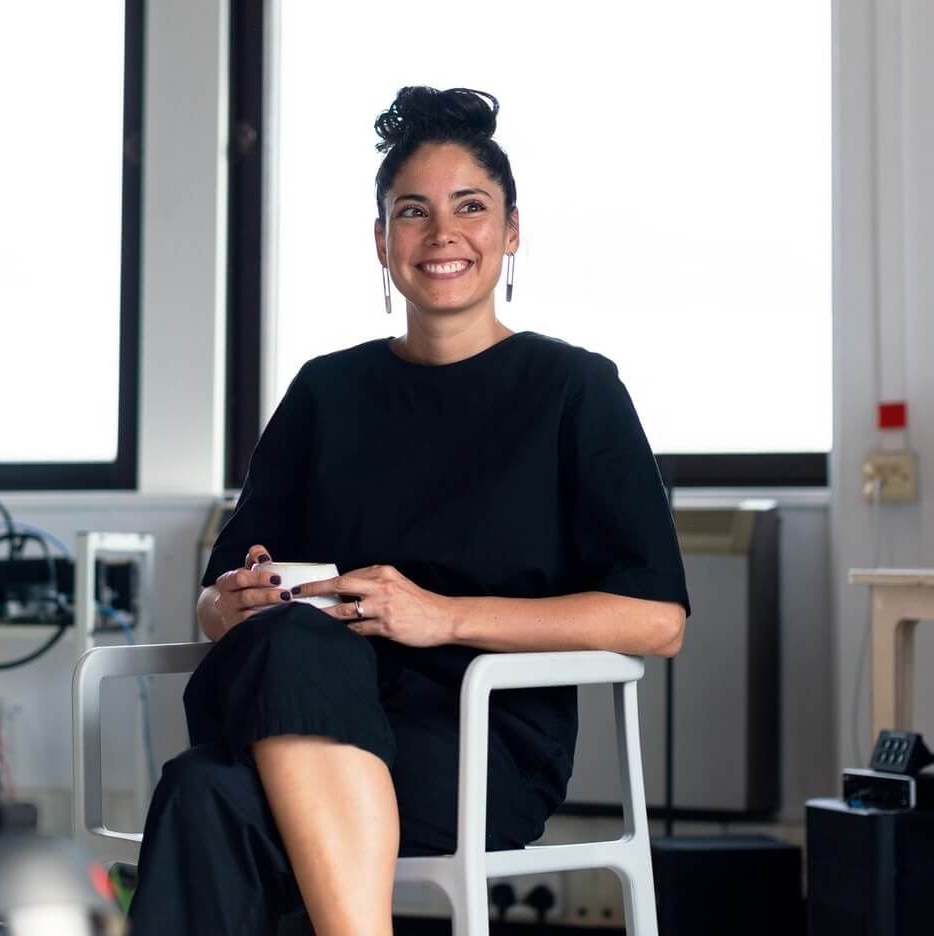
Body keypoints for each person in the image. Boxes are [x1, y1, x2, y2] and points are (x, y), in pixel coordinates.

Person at [127, 86, 691, 936]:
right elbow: (218, 597)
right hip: (303, 708)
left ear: (510, 231)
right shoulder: (327, 391)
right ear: (382, 240)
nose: (442, 235)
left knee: (206, 785)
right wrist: (228, 602)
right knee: (223, 747)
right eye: (412, 212)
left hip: (474, 742)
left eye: (470, 207)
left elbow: (656, 620)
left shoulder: (575, 390)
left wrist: (440, 617)